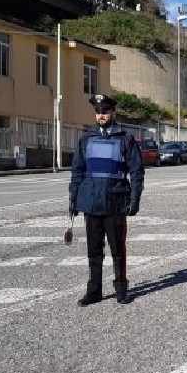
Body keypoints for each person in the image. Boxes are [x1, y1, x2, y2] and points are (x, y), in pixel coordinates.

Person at [69, 94, 144, 306]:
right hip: (91, 202)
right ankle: (94, 291)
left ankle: (121, 289)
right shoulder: (86, 139)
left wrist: (135, 199)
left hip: (115, 202)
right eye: (98, 111)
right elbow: (77, 171)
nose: (101, 115)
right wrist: (73, 199)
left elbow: (136, 172)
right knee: (93, 251)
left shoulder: (125, 139)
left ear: (112, 112)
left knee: (118, 250)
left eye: (105, 111)